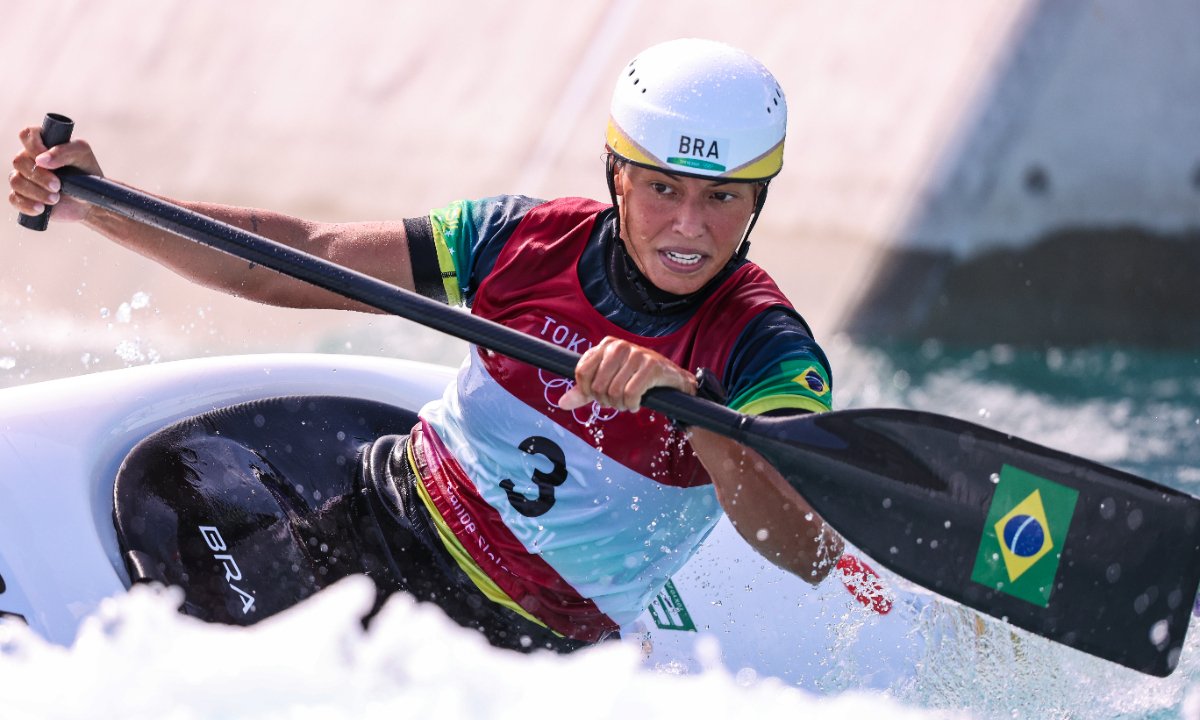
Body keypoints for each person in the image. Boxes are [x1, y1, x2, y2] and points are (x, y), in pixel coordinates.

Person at [9, 38, 843, 651]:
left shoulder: (768, 350)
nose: (690, 227)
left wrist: (697, 414)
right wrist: (108, 207)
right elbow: (308, 255)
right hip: (369, 511)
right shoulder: (519, 238)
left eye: (723, 198)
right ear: (616, 175)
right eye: (662, 188)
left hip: (518, 640)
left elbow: (807, 548)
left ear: (758, 199)